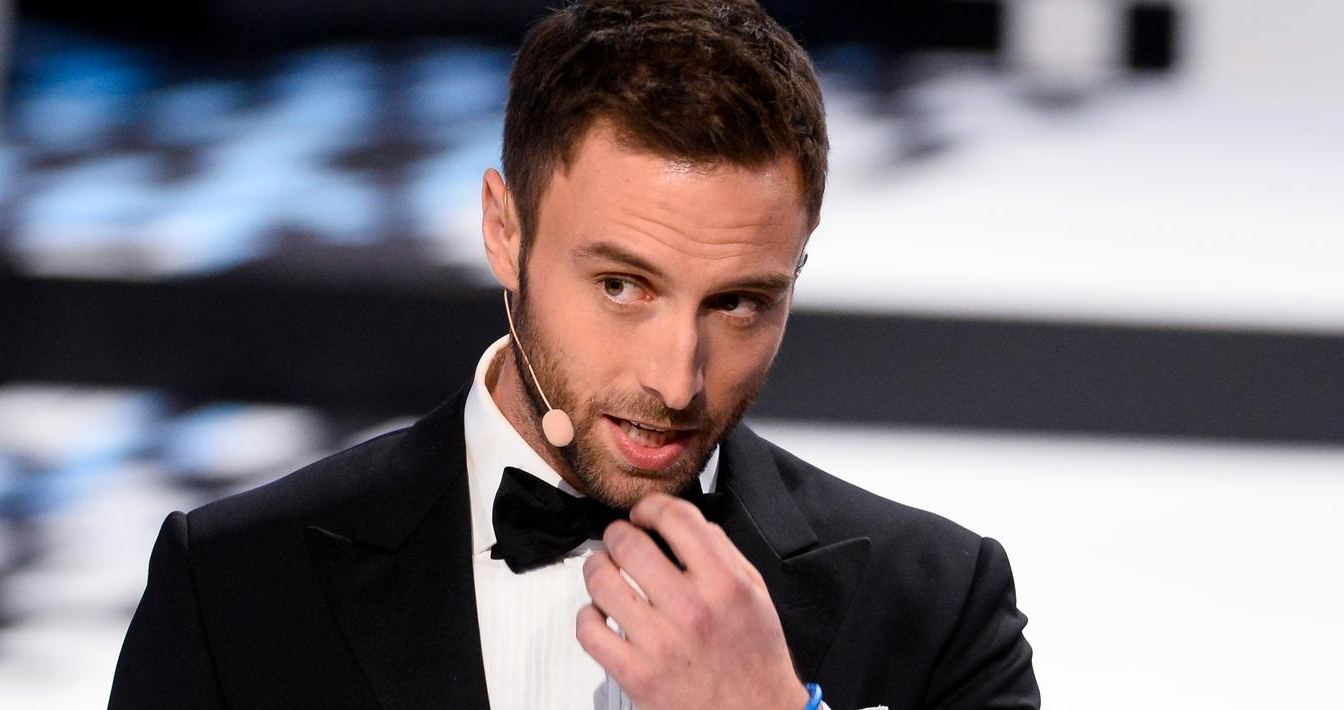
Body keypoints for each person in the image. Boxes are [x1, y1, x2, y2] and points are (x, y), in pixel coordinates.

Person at [109, 2, 1039, 709]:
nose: (677, 380)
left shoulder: (936, 603)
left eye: (738, 303)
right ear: (503, 230)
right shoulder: (235, 589)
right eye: (622, 286)